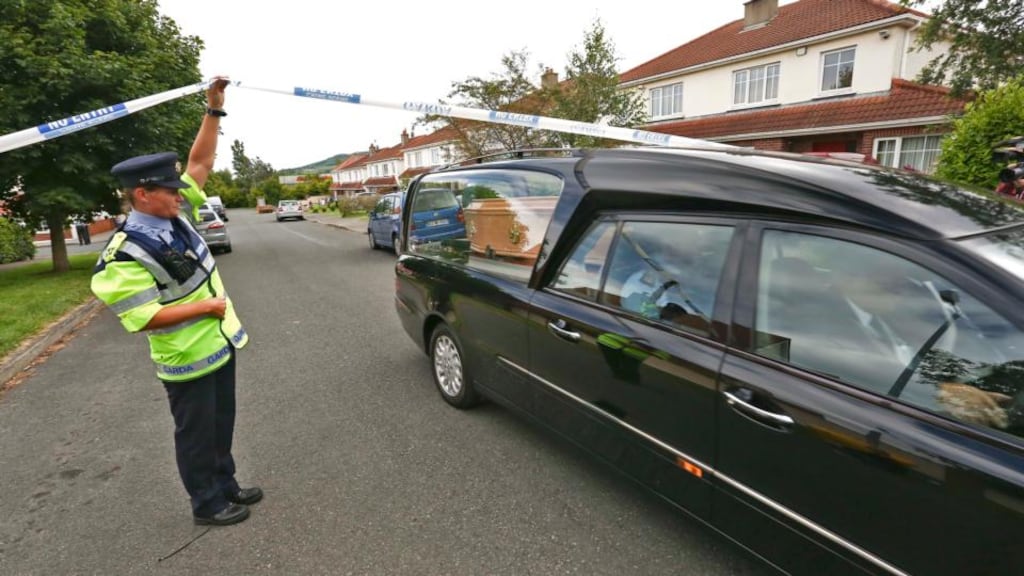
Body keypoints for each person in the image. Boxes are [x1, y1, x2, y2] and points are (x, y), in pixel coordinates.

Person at [90, 78, 261, 527]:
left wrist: (214, 110)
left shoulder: (175, 213)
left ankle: (226, 482)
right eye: (170, 190)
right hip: (186, 357)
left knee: (222, 423)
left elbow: (200, 161)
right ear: (143, 194)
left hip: (220, 343)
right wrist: (206, 308)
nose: (180, 193)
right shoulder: (123, 254)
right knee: (196, 434)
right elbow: (142, 316)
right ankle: (206, 502)